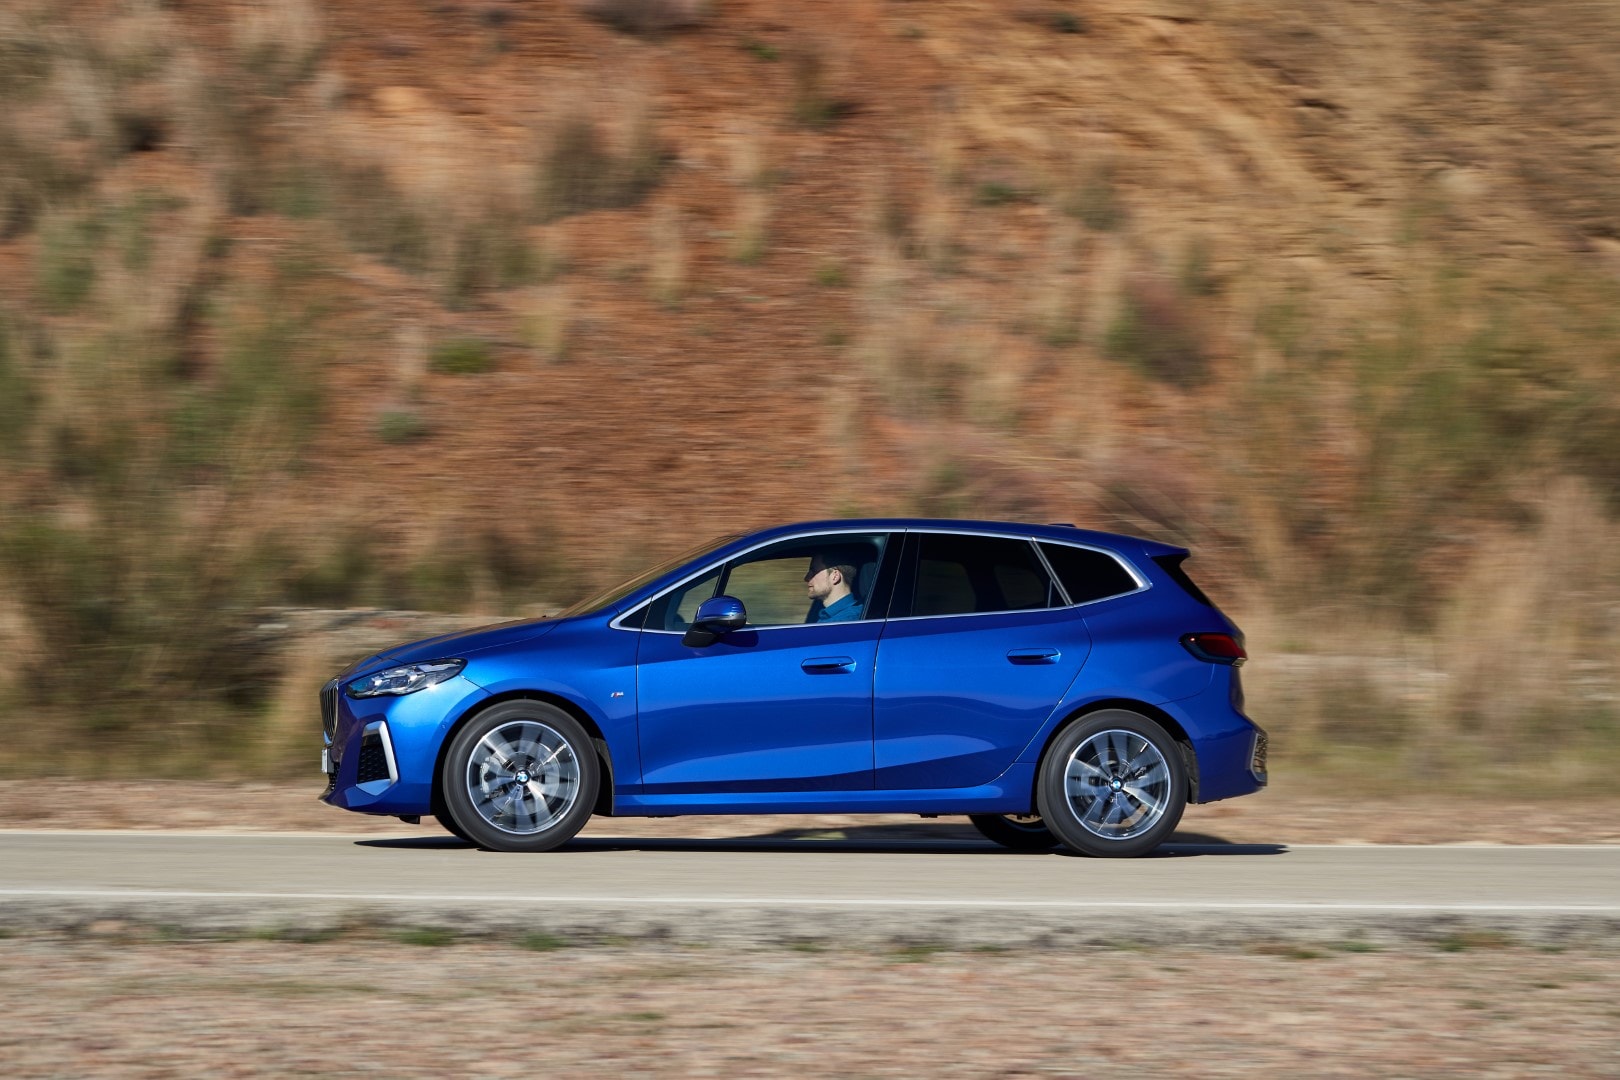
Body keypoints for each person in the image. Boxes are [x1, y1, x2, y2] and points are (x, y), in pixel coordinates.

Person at [805, 549, 862, 622]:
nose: (806, 578)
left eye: (814, 571)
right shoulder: (826, 615)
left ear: (835, 576)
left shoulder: (847, 620)